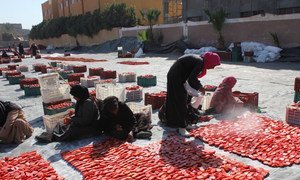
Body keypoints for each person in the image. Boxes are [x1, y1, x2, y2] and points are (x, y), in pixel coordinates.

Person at [165, 52, 221, 137]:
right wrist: (200, 87)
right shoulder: (200, 62)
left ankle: (182, 122)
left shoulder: (199, 61)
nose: (213, 67)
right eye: (213, 65)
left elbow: (191, 77)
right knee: (181, 100)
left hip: (179, 76)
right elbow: (192, 78)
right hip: (176, 77)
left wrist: (197, 87)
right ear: (209, 61)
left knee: (185, 99)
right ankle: (181, 128)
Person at [35, 85, 100, 143]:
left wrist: (71, 120)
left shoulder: (87, 103)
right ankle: (54, 135)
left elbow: (86, 121)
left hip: (91, 127)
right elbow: (81, 114)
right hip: (83, 123)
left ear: (80, 95)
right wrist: (73, 115)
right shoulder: (81, 100)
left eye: (75, 96)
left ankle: (54, 138)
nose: (74, 98)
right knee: (61, 125)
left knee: (71, 131)